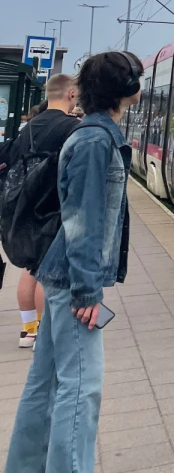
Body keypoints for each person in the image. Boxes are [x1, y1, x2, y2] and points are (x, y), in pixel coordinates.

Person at [6, 51, 143, 473]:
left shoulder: (90, 136)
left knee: (44, 381)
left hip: (61, 271)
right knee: (82, 387)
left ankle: (25, 466)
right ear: (126, 90)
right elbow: (82, 218)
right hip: (72, 279)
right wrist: (88, 289)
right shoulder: (95, 142)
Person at [0, 75, 79, 349]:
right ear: (71, 94)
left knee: (29, 270)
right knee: (50, 274)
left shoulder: (28, 128)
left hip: (25, 207)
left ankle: (27, 331)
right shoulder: (72, 127)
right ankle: (45, 332)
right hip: (55, 208)